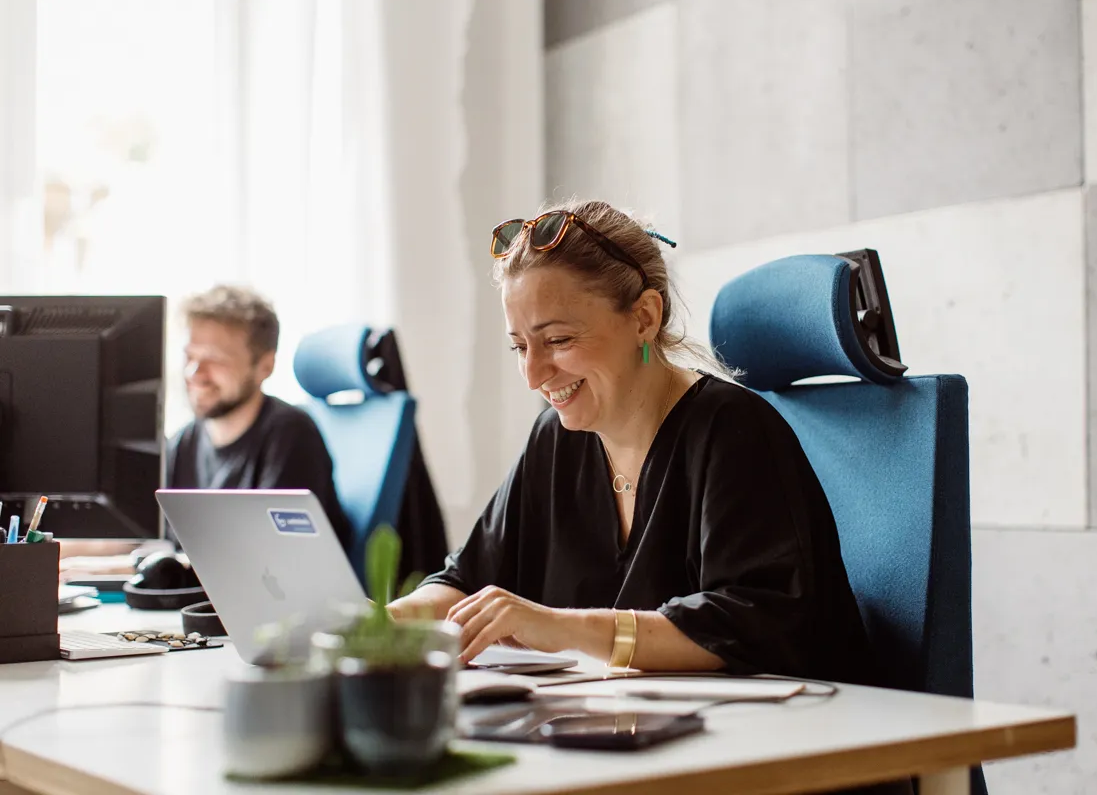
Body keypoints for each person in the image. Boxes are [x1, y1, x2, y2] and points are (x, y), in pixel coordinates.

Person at [386, 199, 878, 684]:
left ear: (644, 317)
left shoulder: (734, 429)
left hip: (792, 744)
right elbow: (467, 583)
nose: (534, 375)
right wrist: (384, 622)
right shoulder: (555, 439)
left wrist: (560, 627)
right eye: (520, 346)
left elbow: (749, 625)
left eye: (558, 341)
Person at [60, 286, 353, 577]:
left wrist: (120, 567)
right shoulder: (187, 440)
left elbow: (262, 559)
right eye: (190, 356)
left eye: (214, 359)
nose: (194, 373)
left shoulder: (291, 435)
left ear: (264, 366)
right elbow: (137, 533)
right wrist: (52, 554)